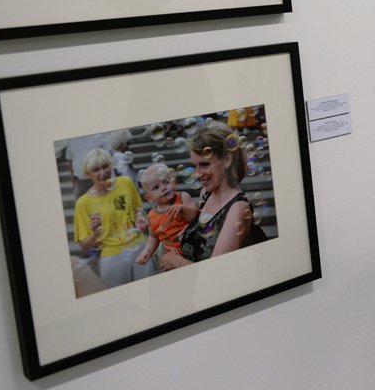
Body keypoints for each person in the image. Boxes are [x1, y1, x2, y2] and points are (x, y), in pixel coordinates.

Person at [160, 121, 267, 270]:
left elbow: (216, 271)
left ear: (227, 160)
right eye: (195, 165)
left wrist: (175, 261)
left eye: (204, 164)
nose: (198, 173)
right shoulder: (206, 193)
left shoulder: (238, 209)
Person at [72, 148, 154, 288]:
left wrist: (140, 216)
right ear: (87, 173)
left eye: (105, 166)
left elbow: (138, 208)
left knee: (150, 291)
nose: (103, 172)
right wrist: (95, 234)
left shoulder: (126, 183)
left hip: (139, 246)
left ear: (111, 165)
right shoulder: (83, 203)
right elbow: (84, 246)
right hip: (112, 256)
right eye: (96, 169)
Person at [135, 162, 200, 266]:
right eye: (156, 187)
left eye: (166, 182)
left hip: (193, 249)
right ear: (149, 198)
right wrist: (147, 251)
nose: (163, 188)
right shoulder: (151, 216)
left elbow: (196, 216)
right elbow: (153, 237)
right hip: (171, 257)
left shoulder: (182, 197)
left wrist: (183, 209)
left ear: (173, 182)